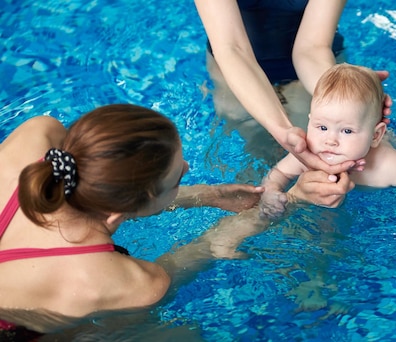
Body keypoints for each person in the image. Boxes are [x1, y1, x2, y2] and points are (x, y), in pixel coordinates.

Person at [0, 104, 353, 336]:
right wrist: (291, 199)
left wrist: (203, 194)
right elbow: (210, 246)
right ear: (121, 211)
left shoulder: (37, 136)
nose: (187, 169)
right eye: (177, 179)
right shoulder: (127, 284)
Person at [193, 0, 391, 173]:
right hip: (232, 63)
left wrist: (345, 93)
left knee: (327, 145)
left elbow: (312, 47)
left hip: (315, 63)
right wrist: (282, 129)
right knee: (254, 147)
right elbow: (231, 48)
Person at [259, 64, 396, 225]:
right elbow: (279, 173)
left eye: (347, 131)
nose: (330, 140)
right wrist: (272, 191)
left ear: (375, 136)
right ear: (309, 122)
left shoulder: (387, 164)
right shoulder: (308, 153)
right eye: (322, 127)